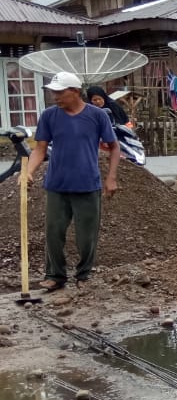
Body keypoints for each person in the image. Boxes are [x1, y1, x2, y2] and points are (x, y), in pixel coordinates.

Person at [19, 72, 119, 292]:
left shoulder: (97, 116)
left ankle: (83, 275)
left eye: (60, 92)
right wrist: (28, 171)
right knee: (53, 233)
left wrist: (111, 178)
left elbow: (114, 146)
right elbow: (40, 149)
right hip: (57, 185)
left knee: (86, 237)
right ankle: (55, 275)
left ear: (75, 91)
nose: (55, 97)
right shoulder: (49, 116)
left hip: (87, 185)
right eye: (53, 92)